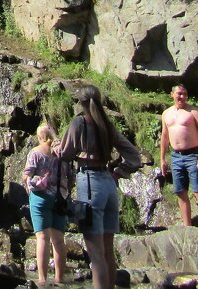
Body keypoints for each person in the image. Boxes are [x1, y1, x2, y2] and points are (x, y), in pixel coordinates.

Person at [58, 85, 141, 289]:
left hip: (89, 183)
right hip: (108, 184)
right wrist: (118, 173)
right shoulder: (107, 124)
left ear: (81, 103)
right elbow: (134, 156)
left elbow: (65, 154)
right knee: (107, 251)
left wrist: (55, 147)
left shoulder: (79, 123)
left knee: (95, 254)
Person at [159, 85, 198, 226]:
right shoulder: (166, 114)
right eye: (179, 94)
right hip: (176, 156)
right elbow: (164, 136)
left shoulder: (193, 112)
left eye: (184, 94)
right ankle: (187, 227)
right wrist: (162, 159)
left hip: (193, 154)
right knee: (180, 192)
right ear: (172, 95)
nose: (182, 97)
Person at [23, 123, 68, 286]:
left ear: (40, 137)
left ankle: (42, 280)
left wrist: (28, 181)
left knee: (42, 238)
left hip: (40, 198)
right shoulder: (62, 154)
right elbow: (70, 176)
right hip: (60, 199)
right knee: (58, 240)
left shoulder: (35, 153)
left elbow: (27, 174)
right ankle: (59, 279)